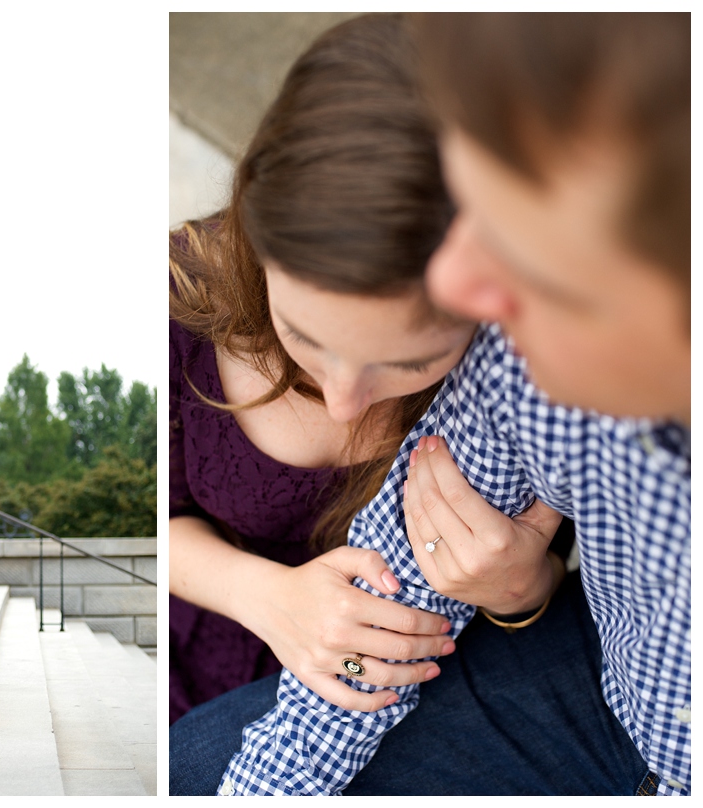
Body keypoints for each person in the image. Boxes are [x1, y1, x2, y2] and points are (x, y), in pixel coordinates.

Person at [212, 12, 689, 796]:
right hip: (617, 698)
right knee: (204, 762)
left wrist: (526, 599)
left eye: (526, 239)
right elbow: (344, 679)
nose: (464, 290)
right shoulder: (517, 353)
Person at [169, 13, 562, 734]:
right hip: (198, 654)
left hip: (428, 695)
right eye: (303, 335)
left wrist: (521, 586)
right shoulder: (174, 299)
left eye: (413, 360)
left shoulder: (539, 364)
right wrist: (268, 597)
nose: (347, 403)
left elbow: (594, 588)